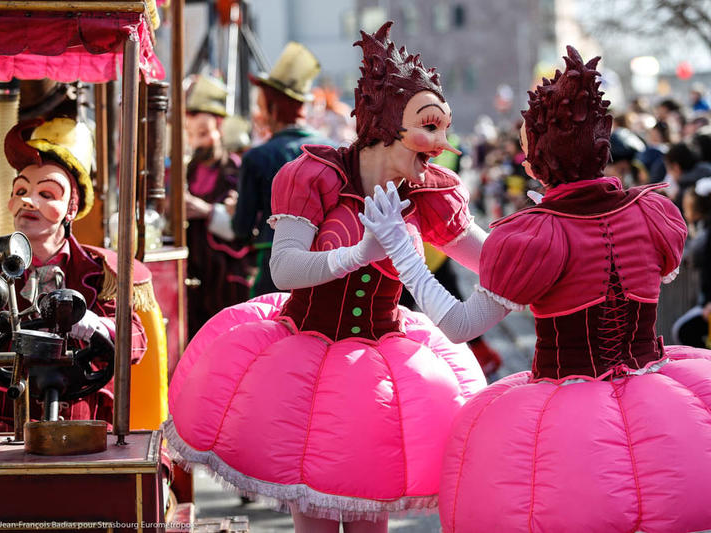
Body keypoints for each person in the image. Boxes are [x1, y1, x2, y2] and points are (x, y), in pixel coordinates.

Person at [361, 46, 711, 532]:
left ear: (539, 159)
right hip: (666, 416)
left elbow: (459, 326)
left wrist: (403, 249)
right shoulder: (653, 213)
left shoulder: (534, 235)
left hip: (571, 428)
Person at [164, 22, 487, 532]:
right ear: (386, 122)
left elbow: (490, 260)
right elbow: (284, 267)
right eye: (430, 126)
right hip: (304, 355)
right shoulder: (315, 174)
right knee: (313, 516)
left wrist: (547, 238)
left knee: (369, 513)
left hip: (381, 367)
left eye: (443, 128)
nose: (441, 144)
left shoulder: (425, 190)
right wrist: (360, 251)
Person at [0, 117, 149, 432]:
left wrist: (92, 326)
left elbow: (136, 345)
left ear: (70, 208)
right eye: (20, 191)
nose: (27, 202)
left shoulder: (100, 272)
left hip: (76, 414)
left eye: (46, 194)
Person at [212, 42, 334, 297]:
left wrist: (235, 213)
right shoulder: (334, 150)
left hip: (275, 270)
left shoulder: (257, 157)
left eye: (261, 106)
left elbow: (241, 230)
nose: (258, 114)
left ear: (274, 109)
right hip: (329, 267)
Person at [182, 75, 255, 337]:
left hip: (225, 280)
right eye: (190, 134)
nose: (196, 142)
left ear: (220, 128)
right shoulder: (188, 170)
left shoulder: (235, 170)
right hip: (194, 276)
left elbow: (244, 227)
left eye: (203, 133)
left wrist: (206, 210)